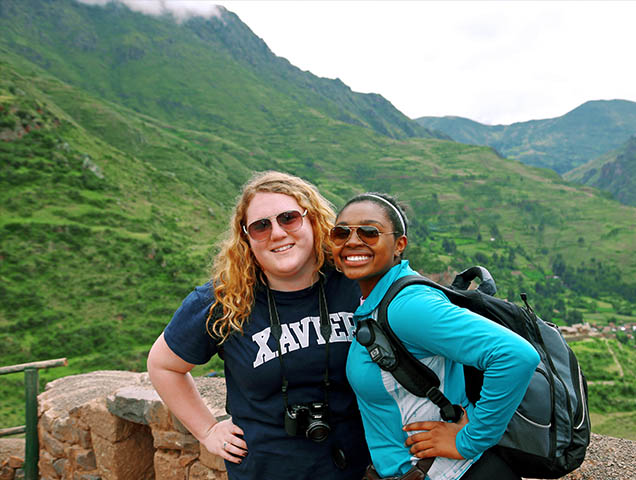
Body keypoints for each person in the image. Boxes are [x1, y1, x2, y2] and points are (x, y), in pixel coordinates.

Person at [147, 171, 370, 479]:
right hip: (265, 471)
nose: (277, 233)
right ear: (246, 238)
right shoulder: (222, 300)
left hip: (360, 466)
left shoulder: (356, 282)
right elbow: (163, 365)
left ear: (313, 221)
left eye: (289, 218)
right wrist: (208, 429)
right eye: (260, 226)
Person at [330, 192, 540, 480]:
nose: (352, 241)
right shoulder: (373, 301)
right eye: (341, 232)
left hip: (453, 473)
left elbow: (515, 355)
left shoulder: (407, 305)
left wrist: (470, 440)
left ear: (399, 245)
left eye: (369, 231)